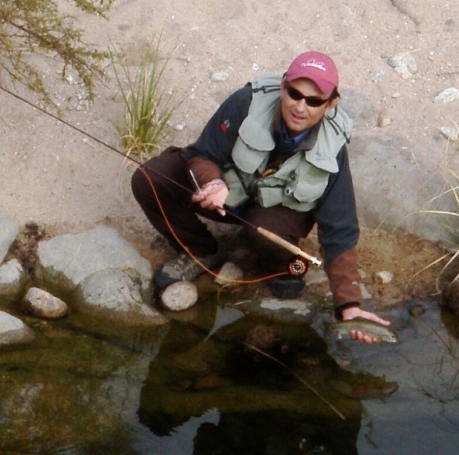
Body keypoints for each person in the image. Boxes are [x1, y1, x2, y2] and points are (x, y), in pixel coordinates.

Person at [131, 51, 388, 343]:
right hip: (224, 195)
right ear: (283, 87)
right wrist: (212, 181)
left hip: (276, 215)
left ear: (330, 105)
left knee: (274, 252)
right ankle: (200, 249)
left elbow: (340, 229)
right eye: (294, 94)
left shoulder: (333, 147)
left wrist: (348, 304)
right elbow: (203, 153)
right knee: (151, 177)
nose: (300, 107)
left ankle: (285, 267)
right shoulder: (246, 102)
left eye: (314, 101)